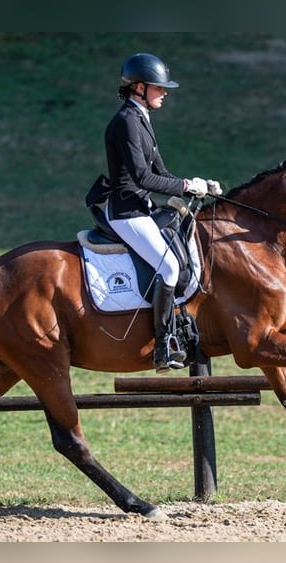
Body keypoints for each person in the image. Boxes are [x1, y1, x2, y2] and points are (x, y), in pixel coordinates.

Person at [103, 52, 222, 373]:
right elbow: (142, 178)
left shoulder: (140, 118)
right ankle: (162, 345)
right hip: (127, 212)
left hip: (143, 209)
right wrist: (185, 186)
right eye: (158, 87)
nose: (164, 92)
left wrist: (200, 185)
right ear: (139, 87)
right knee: (169, 268)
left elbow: (161, 171)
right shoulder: (127, 122)